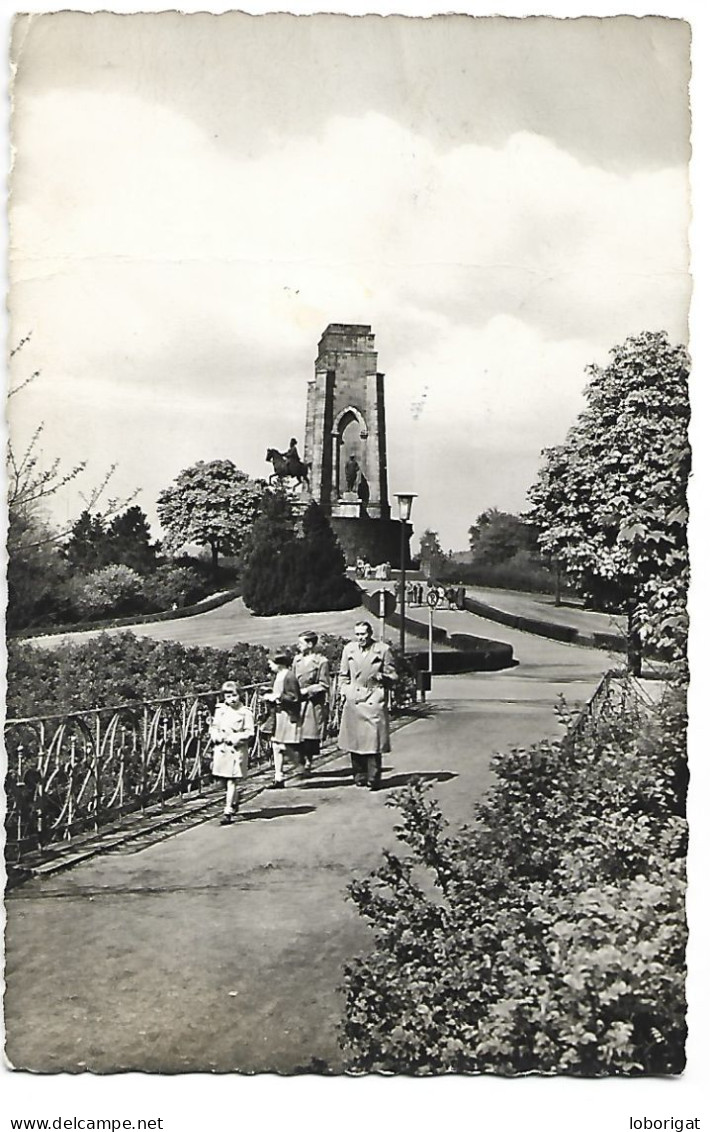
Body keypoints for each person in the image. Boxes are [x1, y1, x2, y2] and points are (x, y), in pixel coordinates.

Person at [338, 621, 396, 791]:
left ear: (370, 633)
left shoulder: (383, 650)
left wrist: (383, 677)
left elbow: (393, 675)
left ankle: (373, 777)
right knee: (355, 740)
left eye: (363, 634)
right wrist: (344, 690)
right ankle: (359, 775)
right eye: (357, 634)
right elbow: (343, 674)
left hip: (373, 698)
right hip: (354, 698)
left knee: (373, 741)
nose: (360, 638)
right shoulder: (349, 649)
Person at [209, 682, 255, 825]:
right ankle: (234, 801)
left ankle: (228, 810)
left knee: (232, 780)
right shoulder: (220, 710)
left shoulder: (245, 712)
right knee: (222, 779)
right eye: (228, 696)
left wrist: (236, 738)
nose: (232, 699)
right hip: (221, 750)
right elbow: (214, 726)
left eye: (234, 695)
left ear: (240, 695)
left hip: (236, 750)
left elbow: (250, 732)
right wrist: (215, 735)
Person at [262, 651, 302, 789]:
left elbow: (295, 697)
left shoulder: (289, 676)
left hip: (287, 714)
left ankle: (299, 764)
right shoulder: (278, 676)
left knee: (284, 745)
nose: (269, 666)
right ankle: (279, 777)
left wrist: (277, 697)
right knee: (276, 745)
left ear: (279, 663)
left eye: (271, 663)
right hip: (278, 715)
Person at [292, 631, 330, 774]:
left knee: (309, 735)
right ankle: (300, 762)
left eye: (301, 643)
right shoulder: (297, 660)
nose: (298, 646)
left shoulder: (321, 662)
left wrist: (307, 690)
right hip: (297, 703)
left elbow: (324, 684)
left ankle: (308, 762)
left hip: (311, 704)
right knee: (297, 734)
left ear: (310, 644)